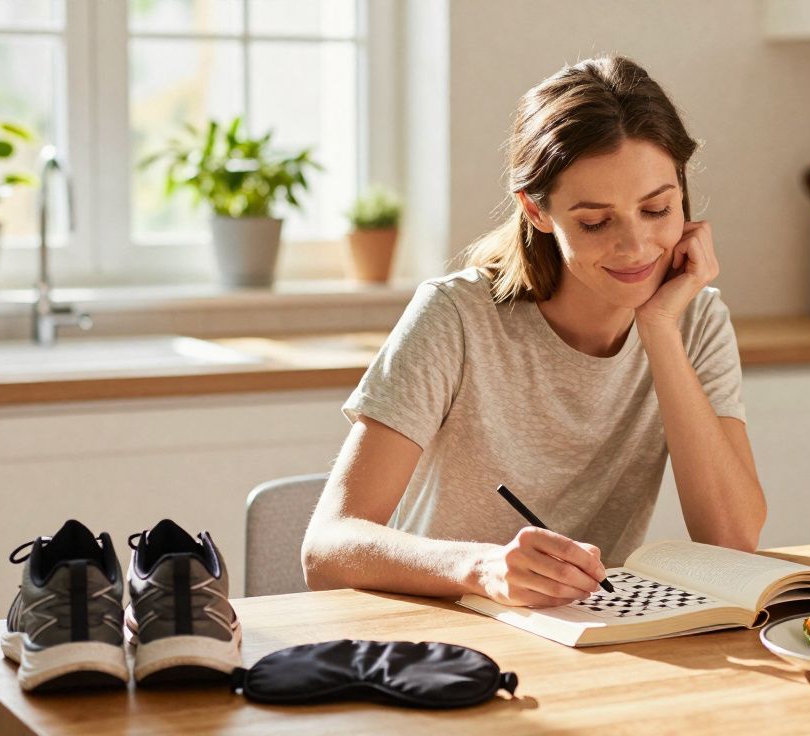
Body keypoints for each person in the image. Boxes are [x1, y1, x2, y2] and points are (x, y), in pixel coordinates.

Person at [301, 54, 765, 608]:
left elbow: (732, 540)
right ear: (537, 210)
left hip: (585, 632)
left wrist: (660, 328)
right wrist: (479, 567)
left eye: (657, 209)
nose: (637, 246)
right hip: (445, 634)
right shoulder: (457, 316)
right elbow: (327, 547)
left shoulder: (695, 319)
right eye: (595, 221)